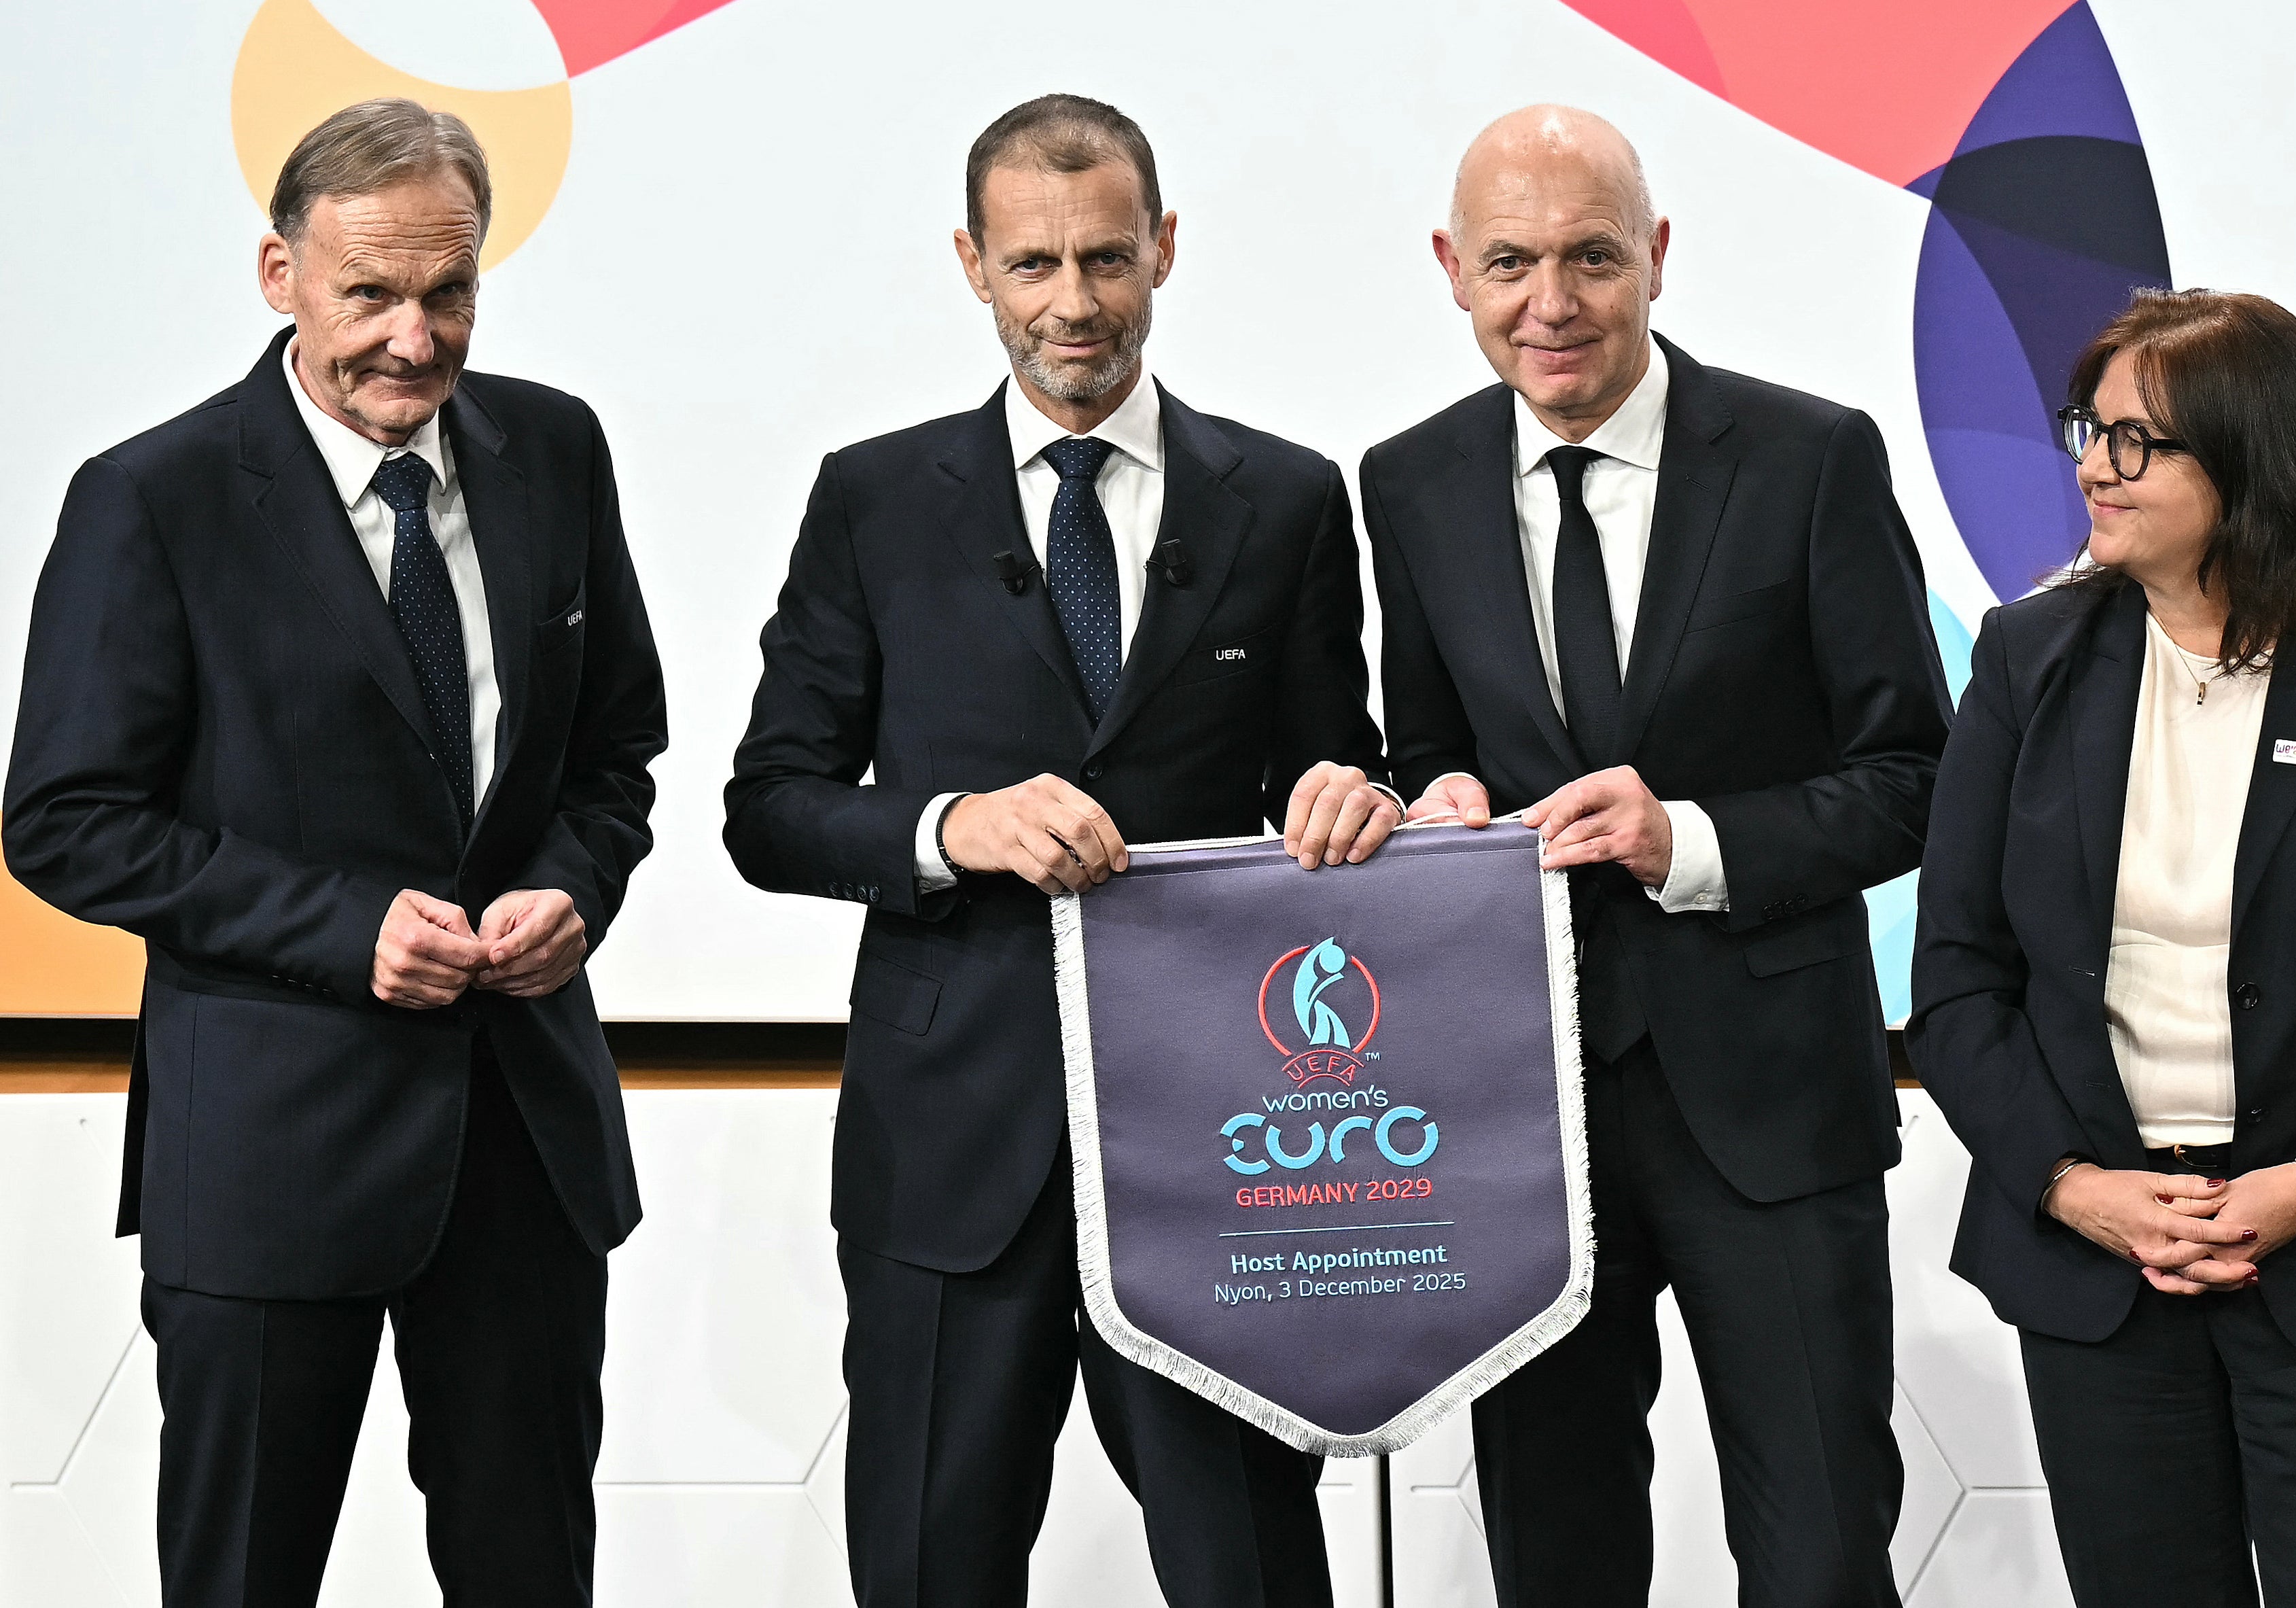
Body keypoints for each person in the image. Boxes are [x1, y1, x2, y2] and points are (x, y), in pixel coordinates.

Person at [724, 93, 1394, 1608]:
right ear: (972, 264)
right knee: (924, 1569)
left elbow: (1339, 759)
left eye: (1104, 257)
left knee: (1253, 1571)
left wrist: (1356, 794)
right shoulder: (872, 499)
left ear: (1163, 249)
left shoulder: (1286, 499)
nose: (1072, 303)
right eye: (1033, 264)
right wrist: (949, 828)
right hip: (950, 1150)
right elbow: (768, 804)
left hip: (1225, 1143)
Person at [3, 99, 667, 1607]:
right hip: (266, 1149)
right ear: (277, 273)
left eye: (449, 292)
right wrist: (341, 923)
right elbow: (60, 818)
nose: (414, 339)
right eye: (369, 293)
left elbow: (618, 752)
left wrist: (577, 879)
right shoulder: (149, 499)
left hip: (523, 1145)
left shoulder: (556, 449)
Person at [1362, 105, 1951, 1606]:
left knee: (1817, 1550)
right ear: (1449, 268)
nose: (1548, 302)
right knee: (1553, 1555)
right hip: (1518, 1120)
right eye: (1508, 261)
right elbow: (1429, 741)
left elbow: (1914, 778)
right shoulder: (1408, 481)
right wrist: (1427, 797)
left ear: (1656, 258)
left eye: (1588, 257)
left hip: (1769, 1113)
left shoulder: (1809, 457)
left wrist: (1683, 838)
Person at [1908, 288, 2296, 1607]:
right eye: (2087, 427)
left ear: (2251, 459)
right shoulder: (2029, 660)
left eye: (2135, 439)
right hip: (2102, 1274)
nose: (2091, 462)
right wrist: (2071, 1183)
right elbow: (1960, 978)